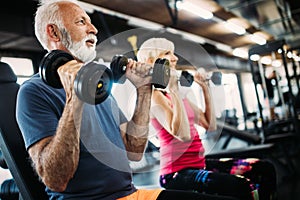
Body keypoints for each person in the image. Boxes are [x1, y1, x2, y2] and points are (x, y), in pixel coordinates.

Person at [16, 0, 238, 199]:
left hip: (131, 194)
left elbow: (133, 150)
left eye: (91, 22)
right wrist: (75, 96)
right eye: (81, 21)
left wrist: (143, 89)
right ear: (54, 33)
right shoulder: (33, 92)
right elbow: (56, 179)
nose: (93, 29)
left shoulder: (99, 86)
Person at [137, 38, 276, 200]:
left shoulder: (178, 95)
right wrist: (174, 89)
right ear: (151, 61)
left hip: (199, 163)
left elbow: (210, 125)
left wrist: (205, 88)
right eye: (167, 53)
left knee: (264, 168)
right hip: (177, 173)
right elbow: (182, 135)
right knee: (243, 186)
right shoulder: (154, 96)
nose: (175, 58)